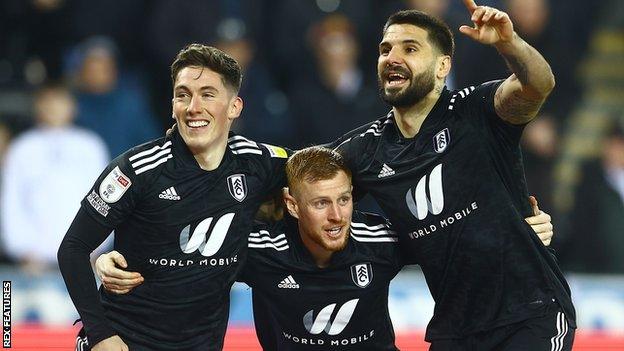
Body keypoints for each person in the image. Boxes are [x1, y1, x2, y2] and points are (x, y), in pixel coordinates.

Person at [96, 147, 556, 350]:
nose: (337, 215)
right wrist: (111, 259)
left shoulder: (381, 240)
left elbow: (458, 240)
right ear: (293, 205)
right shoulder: (257, 248)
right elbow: (182, 257)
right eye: (321, 203)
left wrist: (524, 228)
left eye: (344, 199)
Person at [330, 2, 575, 350]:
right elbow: (302, 173)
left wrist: (509, 43)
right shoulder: (367, 150)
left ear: (444, 65)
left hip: (530, 313)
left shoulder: (476, 110)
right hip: (454, 329)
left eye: (410, 48)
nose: (392, 57)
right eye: (386, 49)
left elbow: (538, 85)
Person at [57, 44, 289, 351]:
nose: (193, 106)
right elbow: (72, 248)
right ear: (172, 105)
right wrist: (100, 335)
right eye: (183, 94)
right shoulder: (137, 169)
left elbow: (326, 168)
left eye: (208, 94)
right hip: (126, 341)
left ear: (234, 107)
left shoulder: (257, 162)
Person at [1, 83, 108, 271]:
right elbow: (11, 201)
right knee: (8, 300)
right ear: (37, 107)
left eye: (60, 102)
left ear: (73, 107)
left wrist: (98, 246)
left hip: (85, 257)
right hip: (34, 261)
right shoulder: (22, 147)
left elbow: (106, 199)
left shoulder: (91, 145)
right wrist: (21, 249)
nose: (54, 108)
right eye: (48, 102)